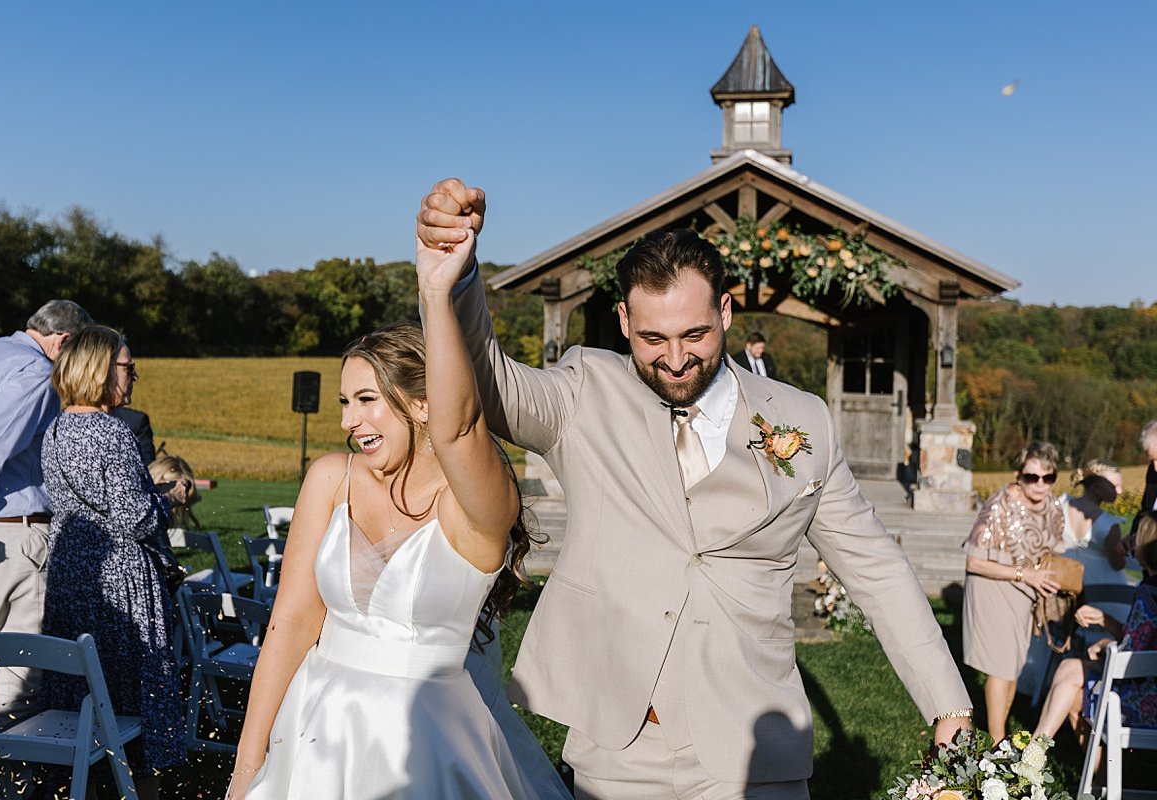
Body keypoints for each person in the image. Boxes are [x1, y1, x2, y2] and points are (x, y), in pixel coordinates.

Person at [417, 179, 971, 799]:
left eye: (695, 336)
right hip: (620, 746)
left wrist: (947, 705)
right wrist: (455, 283)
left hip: (756, 747)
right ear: (624, 319)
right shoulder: (583, 391)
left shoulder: (803, 420)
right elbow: (488, 385)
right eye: (652, 339)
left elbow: (875, 569)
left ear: (726, 312)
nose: (676, 359)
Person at [228, 317, 567, 799]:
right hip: (314, 729)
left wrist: (438, 293)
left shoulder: (472, 509)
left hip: (426, 743)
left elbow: (467, 428)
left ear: (424, 403)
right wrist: (248, 763)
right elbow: (292, 621)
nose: (347, 420)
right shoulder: (330, 478)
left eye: (367, 400)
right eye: (346, 403)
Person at [40, 326, 188, 799]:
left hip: (72, 575)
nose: (134, 375)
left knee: (83, 685)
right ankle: (138, 786)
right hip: (121, 578)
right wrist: (164, 501)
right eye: (127, 366)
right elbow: (134, 518)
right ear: (98, 369)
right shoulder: (112, 432)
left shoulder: (56, 428)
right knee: (133, 691)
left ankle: (85, 783)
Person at [0, 299, 92, 720]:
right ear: (64, 340)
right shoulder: (36, 373)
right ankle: (9, 779)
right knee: (17, 677)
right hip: (12, 536)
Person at [962, 441, 1065, 743]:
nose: (1041, 485)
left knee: (1015, 663)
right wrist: (1025, 574)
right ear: (1018, 475)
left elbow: (1055, 548)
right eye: (1032, 477)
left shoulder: (1054, 505)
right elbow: (975, 562)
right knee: (1002, 665)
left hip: (1028, 589)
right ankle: (997, 742)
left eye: (1049, 477)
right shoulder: (1000, 504)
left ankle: (1001, 733)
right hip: (995, 584)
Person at [1034, 516, 1157, 740]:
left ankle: (1031, 756)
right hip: (1148, 687)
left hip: (1144, 699)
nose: (1133, 543)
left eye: (1137, 538)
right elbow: (1143, 638)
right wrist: (1104, 620)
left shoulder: (1149, 591)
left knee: (1069, 672)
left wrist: (1107, 648)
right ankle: (1096, 774)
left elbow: (1135, 653)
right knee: (1070, 688)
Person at [1061, 460, 1129, 588]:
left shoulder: (1061, 507)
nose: (1120, 491)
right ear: (1096, 487)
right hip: (1103, 590)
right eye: (1114, 486)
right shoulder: (1109, 525)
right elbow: (1117, 564)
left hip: (1066, 584)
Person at [1128, 419, 1157, 546]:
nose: (1155, 467)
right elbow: (1146, 509)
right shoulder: (1152, 473)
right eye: (1152, 461)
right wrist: (1133, 537)